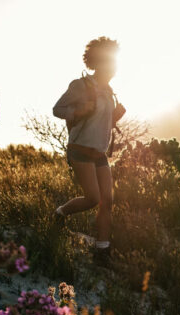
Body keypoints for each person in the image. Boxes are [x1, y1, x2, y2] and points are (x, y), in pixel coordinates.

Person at [52, 37, 126, 265]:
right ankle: (60, 213)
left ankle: (102, 250)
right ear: (97, 62)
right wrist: (79, 110)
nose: (113, 68)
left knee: (108, 201)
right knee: (93, 198)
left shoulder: (110, 91)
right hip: (80, 148)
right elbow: (58, 109)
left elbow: (100, 122)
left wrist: (115, 116)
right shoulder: (80, 85)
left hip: (99, 153)